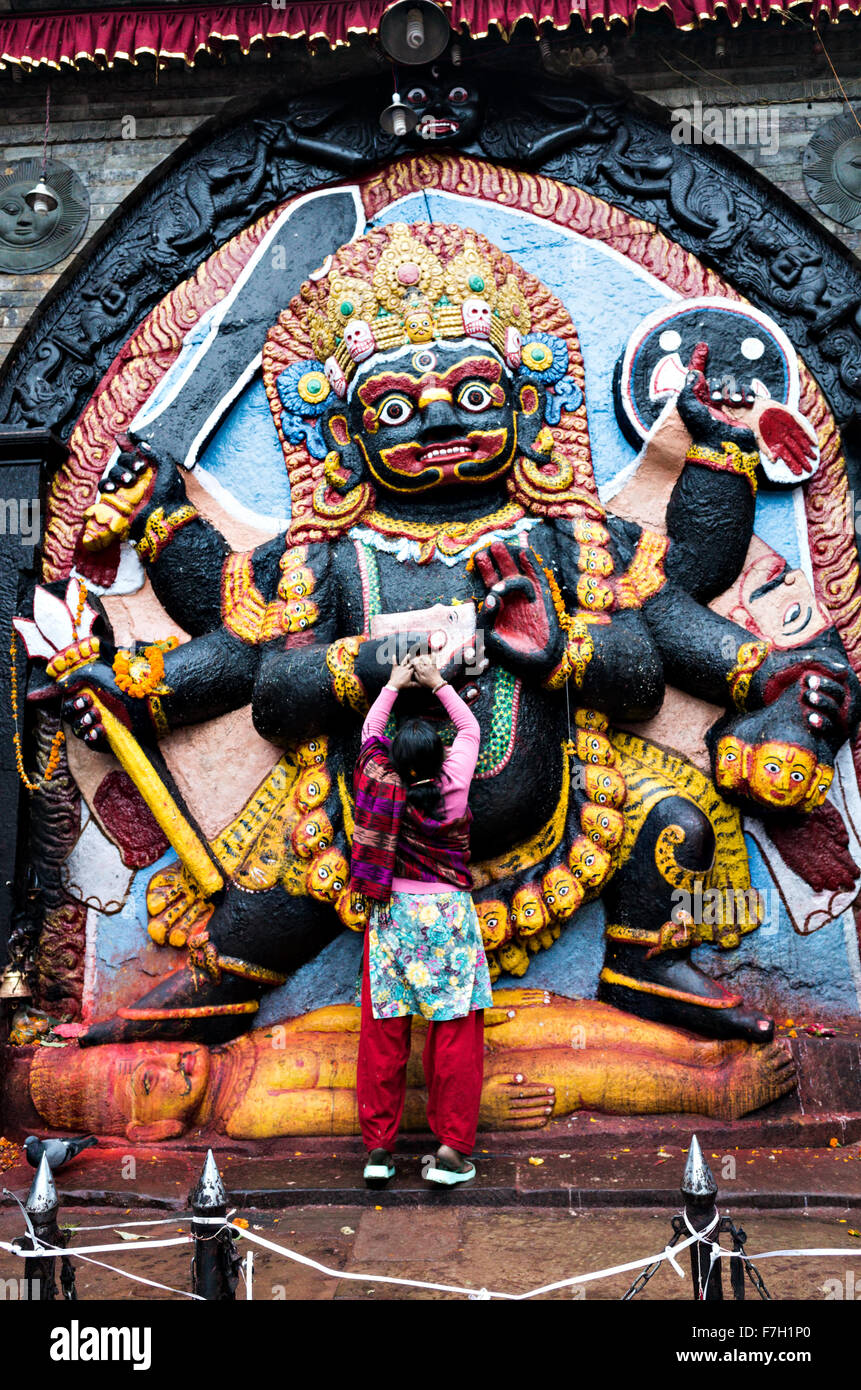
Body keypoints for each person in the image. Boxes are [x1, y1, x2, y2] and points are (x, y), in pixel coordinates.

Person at [350, 651, 493, 1188]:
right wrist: (437, 683)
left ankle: (380, 1150)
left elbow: (369, 734)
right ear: (439, 758)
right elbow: (470, 727)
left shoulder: (380, 781)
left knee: (383, 1032)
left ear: (393, 759)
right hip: (448, 919)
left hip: (392, 917)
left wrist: (391, 684)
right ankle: (452, 1151)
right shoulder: (454, 786)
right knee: (454, 1033)